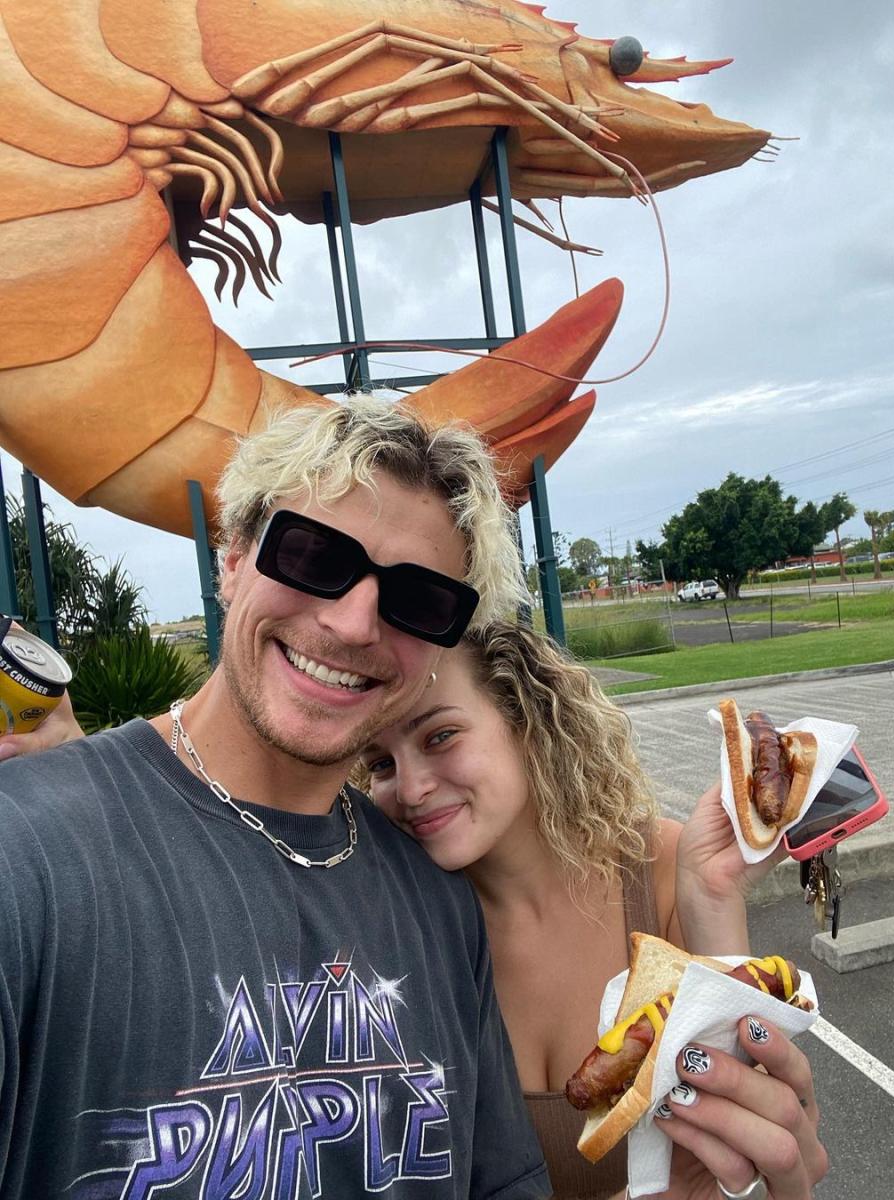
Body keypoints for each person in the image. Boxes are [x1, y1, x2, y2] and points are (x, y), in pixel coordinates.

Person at [0, 397, 553, 1199]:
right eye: (315, 557)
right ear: (232, 558)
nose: (357, 620)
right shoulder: (27, 855)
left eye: (419, 599)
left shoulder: (436, 900)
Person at [356, 622, 828, 1200]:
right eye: (379, 763)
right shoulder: (393, 931)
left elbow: (734, 1164)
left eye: (439, 736)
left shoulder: (662, 871)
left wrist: (712, 898)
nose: (409, 788)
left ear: (528, 724)